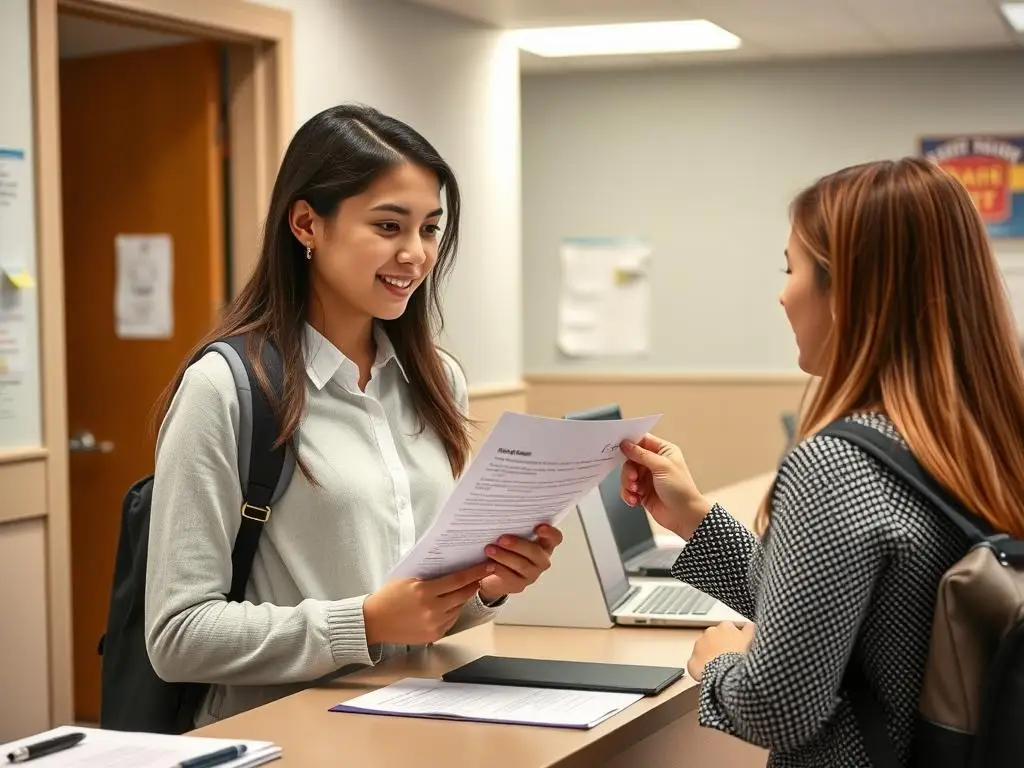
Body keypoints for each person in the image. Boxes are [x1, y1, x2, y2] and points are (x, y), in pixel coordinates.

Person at [144, 104, 562, 726]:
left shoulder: (436, 380)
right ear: (308, 223)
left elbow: (421, 607)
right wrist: (362, 623)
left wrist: (486, 585)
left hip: (420, 722)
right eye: (389, 226)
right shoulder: (226, 388)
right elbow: (178, 636)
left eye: (429, 229)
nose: (416, 255)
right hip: (287, 739)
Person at [618, 158, 1024, 767]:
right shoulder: (987, 436)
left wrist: (719, 662)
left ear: (853, 290)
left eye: (792, 268)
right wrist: (698, 518)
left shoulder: (838, 465)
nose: (783, 294)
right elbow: (839, 609)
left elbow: (776, 703)